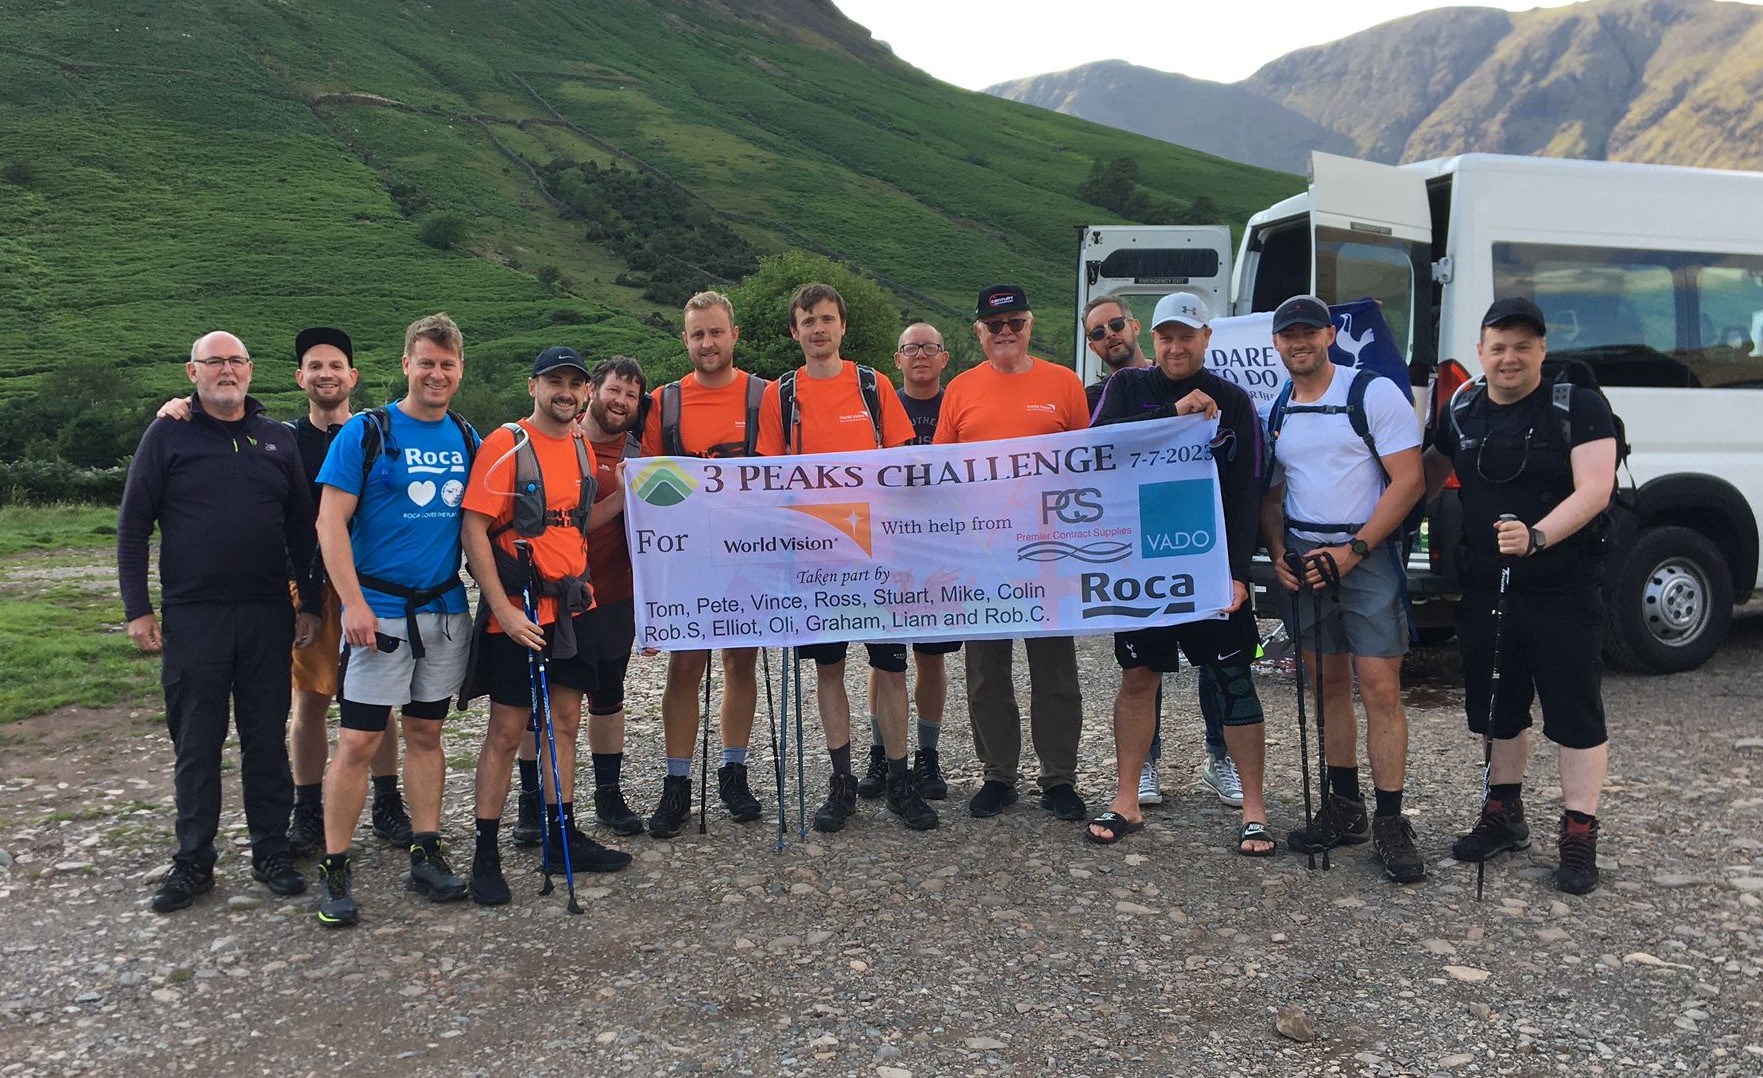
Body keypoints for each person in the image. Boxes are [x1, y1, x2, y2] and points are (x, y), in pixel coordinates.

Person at [155, 329, 414, 855]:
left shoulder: (378, 435)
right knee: (309, 700)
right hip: (308, 585)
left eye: (336, 366)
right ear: (300, 378)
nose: (326, 375)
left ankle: (387, 802)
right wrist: (181, 407)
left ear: (352, 376)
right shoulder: (281, 438)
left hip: (369, 585)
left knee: (376, 700)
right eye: (315, 366)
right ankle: (307, 808)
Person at [118, 331, 318, 912]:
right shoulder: (167, 434)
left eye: (236, 361)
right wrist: (137, 608)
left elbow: (302, 528)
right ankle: (193, 862)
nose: (226, 370)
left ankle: (271, 851)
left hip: (266, 613)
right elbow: (134, 524)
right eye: (214, 362)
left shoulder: (278, 438)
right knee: (197, 743)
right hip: (194, 615)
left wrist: (308, 602)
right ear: (193, 372)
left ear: (250, 370)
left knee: (266, 740)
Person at [1426, 297, 1616, 895]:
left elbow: (1596, 489)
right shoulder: (1462, 409)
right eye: (1499, 347)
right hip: (1486, 585)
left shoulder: (1577, 406)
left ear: (1542, 350)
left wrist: (1536, 536)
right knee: (1496, 708)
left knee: (1575, 714)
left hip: (1564, 587)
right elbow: (1422, 477)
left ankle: (1579, 833)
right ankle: (1504, 813)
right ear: (1481, 352)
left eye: (1523, 347)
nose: (1510, 358)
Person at [1087, 294, 1274, 853]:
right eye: (1166, 337)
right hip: (1142, 562)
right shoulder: (1127, 387)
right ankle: (1127, 798)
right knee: (1138, 677)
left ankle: (1254, 809)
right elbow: (1096, 446)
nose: (1175, 347)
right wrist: (1170, 415)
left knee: (1233, 677)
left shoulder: (1233, 399)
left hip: (1207, 561)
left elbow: (1247, 491)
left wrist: (1238, 574)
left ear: (1206, 338)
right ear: (1154, 338)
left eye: (1186, 336)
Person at [312, 313, 480, 926]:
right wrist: (352, 603)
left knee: (427, 734)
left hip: (442, 611)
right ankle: (334, 864)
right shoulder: (367, 431)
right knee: (358, 740)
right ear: (406, 364)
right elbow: (329, 522)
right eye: (426, 362)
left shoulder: (467, 436)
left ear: (459, 370)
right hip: (377, 615)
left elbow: (477, 527)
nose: (436, 373)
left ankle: (425, 849)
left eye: (446, 364)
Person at [755, 282, 936, 833]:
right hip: (814, 558)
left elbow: (902, 467)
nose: (818, 329)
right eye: (808, 320)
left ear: (842, 326)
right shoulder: (781, 394)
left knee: (891, 669)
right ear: (795, 330)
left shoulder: (872, 385)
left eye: (827, 319)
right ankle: (842, 783)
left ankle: (900, 781)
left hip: (877, 554)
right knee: (829, 670)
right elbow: (767, 479)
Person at [1259, 294, 1427, 883]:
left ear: (1330, 335)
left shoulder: (1371, 392)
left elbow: (1409, 481)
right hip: (1306, 557)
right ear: (1276, 344)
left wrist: (1353, 552)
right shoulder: (1279, 406)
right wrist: (1277, 552)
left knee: (1379, 685)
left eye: (1309, 332)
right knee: (1326, 683)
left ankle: (1390, 818)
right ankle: (1345, 805)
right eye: (1288, 335)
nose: (1299, 343)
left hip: (1365, 554)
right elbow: (1273, 494)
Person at [459, 346, 634, 905]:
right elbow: (474, 529)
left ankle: (562, 836)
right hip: (521, 612)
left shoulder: (581, 445)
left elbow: (576, 525)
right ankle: (485, 854)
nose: (565, 392)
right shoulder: (506, 444)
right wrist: (503, 611)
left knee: (565, 722)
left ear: (585, 392)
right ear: (533, 386)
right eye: (554, 381)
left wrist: (625, 496)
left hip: (572, 609)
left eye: (574, 384)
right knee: (507, 731)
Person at [934, 284, 1091, 822]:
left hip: (1049, 551)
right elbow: (941, 474)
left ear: (1030, 325)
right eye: (994, 324)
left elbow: (1089, 465)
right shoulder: (960, 390)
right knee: (986, 673)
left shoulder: (1064, 384)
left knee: (1055, 671)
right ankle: (998, 775)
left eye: (1015, 322)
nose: (1005, 332)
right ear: (978, 331)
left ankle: (1059, 778)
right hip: (983, 554)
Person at [637, 291, 768, 837]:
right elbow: (645, 483)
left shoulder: (764, 396)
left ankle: (734, 773)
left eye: (716, 332)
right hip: (687, 557)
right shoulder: (664, 402)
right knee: (685, 666)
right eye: (697, 334)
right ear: (686, 340)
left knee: (740, 664)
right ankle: (677, 784)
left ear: (734, 334)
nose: (707, 343)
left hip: (746, 556)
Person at [857, 321, 957, 801]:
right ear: (897, 359)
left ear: (944, 358)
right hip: (888, 548)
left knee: (931, 657)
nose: (920, 355)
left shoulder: (956, 405)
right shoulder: (881, 408)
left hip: (943, 548)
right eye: (910, 348)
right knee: (884, 659)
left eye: (929, 348)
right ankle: (881, 752)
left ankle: (927, 755)